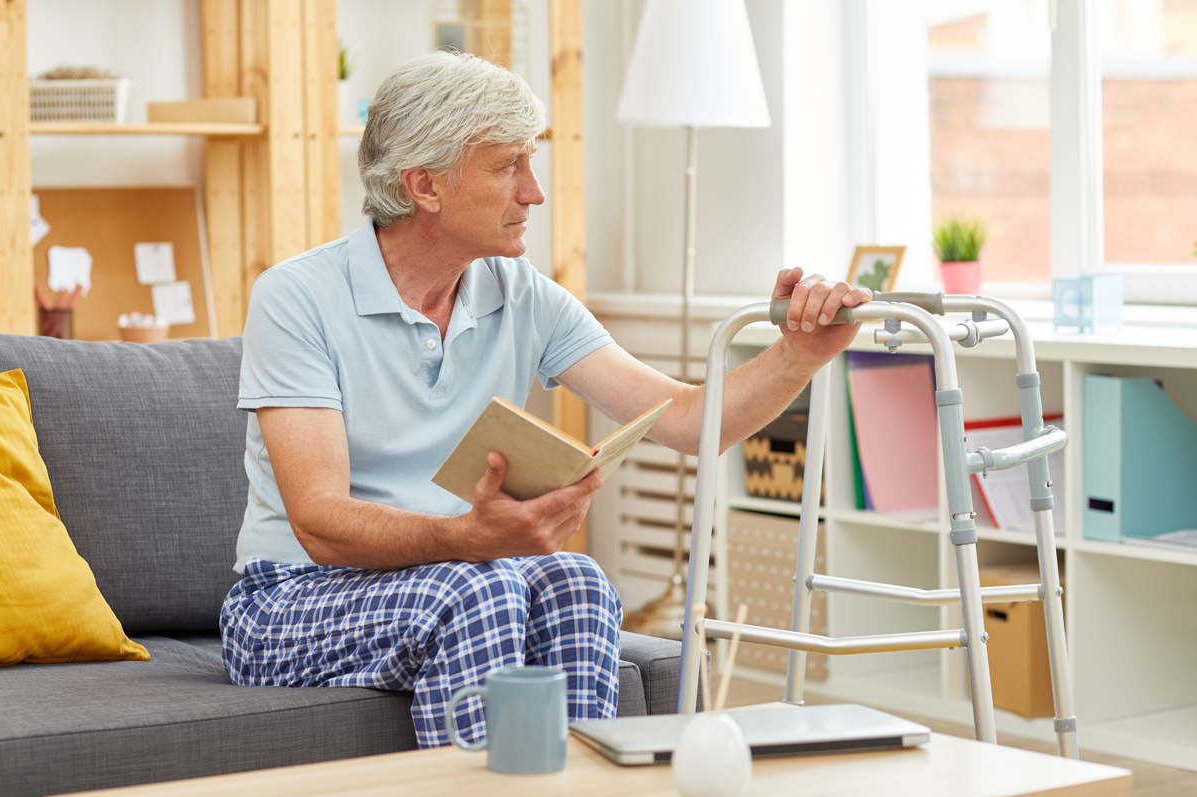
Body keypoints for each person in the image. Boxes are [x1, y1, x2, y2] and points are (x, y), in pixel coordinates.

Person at [219, 50, 871, 749]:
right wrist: (466, 542)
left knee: (577, 581)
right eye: (508, 167)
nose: (533, 192)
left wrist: (796, 356)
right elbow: (318, 523)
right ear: (424, 187)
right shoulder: (298, 297)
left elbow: (687, 421)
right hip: (288, 602)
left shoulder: (519, 292)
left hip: (448, 582)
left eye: (531, 164)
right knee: (482, 587)